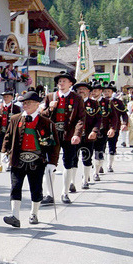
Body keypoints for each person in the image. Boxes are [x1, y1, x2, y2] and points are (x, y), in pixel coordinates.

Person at [1, 91, 58, 227]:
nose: (25, 105)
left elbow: (55, 144)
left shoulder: (47, 123)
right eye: (24, 103)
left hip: (37, 160)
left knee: (36, 188)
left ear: (37, 104)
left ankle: (34, 214)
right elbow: (8, 136)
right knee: (15, 187)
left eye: (29, 103)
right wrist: (4, 152)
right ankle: (15, 216)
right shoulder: (15, 119)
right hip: (17, 159)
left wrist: (52, 163)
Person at [44, 72, 85, 205]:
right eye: (59, 82)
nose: (61, 84)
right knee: (50, 164)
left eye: (64, 81)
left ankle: (65, 193)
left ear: (70, 84)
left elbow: (81, 118)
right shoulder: (50, 97)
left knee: (68, 163)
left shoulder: (77, 98)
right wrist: (50, 109)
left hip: (69, 135)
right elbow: (42, 115)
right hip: (52, 135)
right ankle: (50, 195)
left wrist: (76, 134)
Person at [0, 90, 20, 172]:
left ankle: (9, 164)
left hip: (10, 130)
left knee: (9, 147)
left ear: (12, 98)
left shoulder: (16, 108)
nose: (5, 98)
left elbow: (19, 118)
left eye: (7, 96)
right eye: (4, 97)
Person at [103, 83, 128, 172]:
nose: (106, 93)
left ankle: (109, 165)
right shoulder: (99, 102)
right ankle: (99, 164)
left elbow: (124, 114)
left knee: (112, 146)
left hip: (115, 127)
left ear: (112, 92)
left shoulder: (118, 102)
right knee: (100, 147)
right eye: (105, 91)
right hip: (102, 128)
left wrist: (124, 123)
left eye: (108, 91)